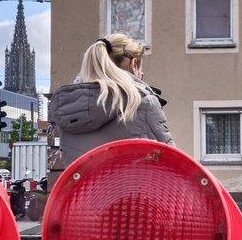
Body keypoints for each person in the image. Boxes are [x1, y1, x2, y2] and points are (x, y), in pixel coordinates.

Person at [49, 33, 174, 172]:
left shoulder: (67, 110)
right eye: (141, 69)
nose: (142, 74)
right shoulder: (143, 102)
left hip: (87, 193)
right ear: (133, 65)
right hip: (137, 192)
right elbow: (174, 163)